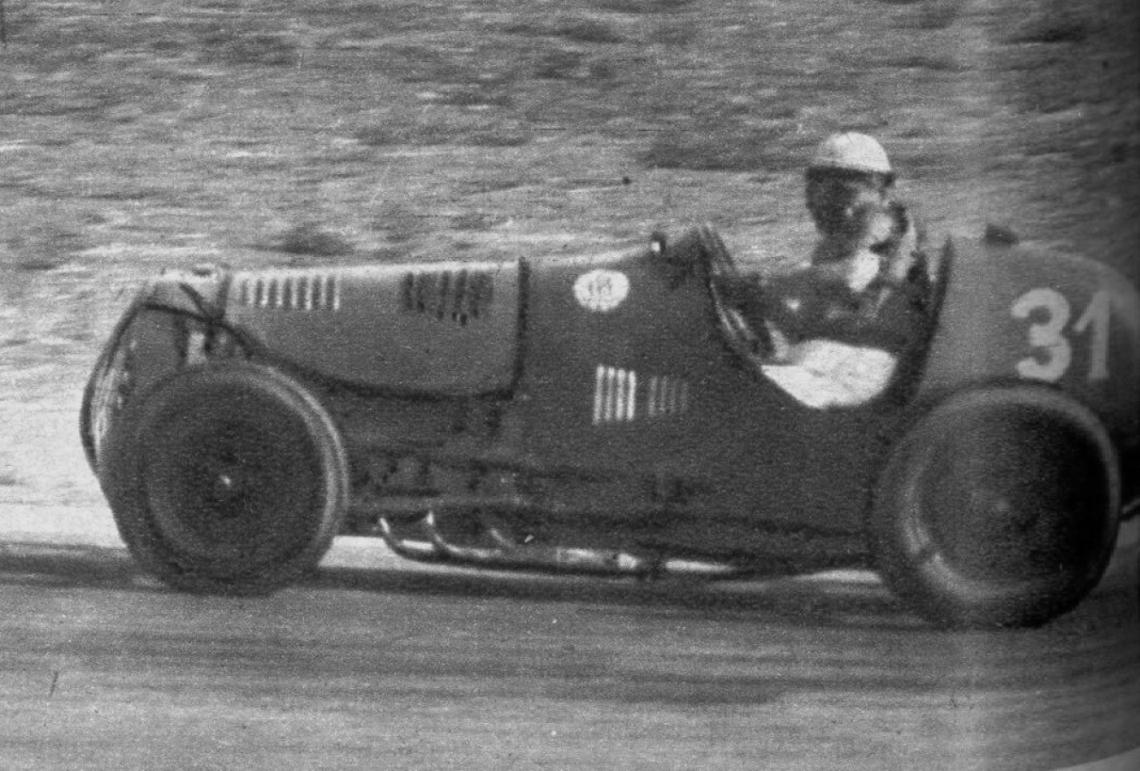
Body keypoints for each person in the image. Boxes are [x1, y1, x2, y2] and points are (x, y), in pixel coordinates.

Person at [728, 132, 931, 409]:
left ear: (882, 192)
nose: (834, 206)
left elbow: (852, 276)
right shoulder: (836, 245)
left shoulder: (890, 233)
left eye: (846, 192)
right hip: (833, 367)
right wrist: (764, 304)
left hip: (869, 373)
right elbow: (809, 332)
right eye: (821, 191)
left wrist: (770, 284)